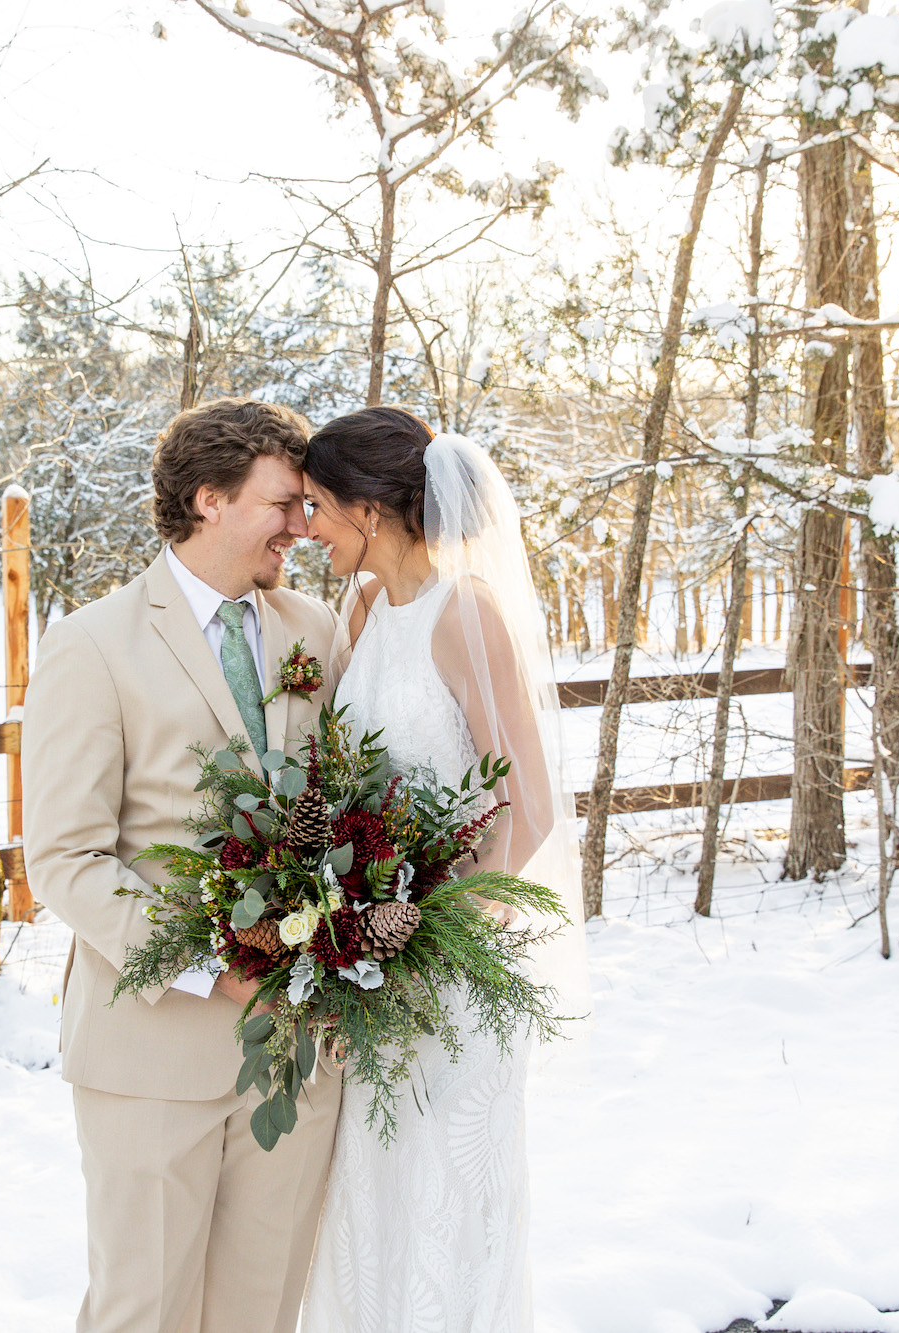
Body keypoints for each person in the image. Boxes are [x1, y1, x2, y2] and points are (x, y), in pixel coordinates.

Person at [22, 397, 347, 1333]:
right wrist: (218, 965)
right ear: (208, 499)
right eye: (284, 503)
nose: (302, 525)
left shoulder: (315, 634)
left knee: (261, 1311)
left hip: (295, 1057)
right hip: (150, 1053)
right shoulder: (92, 644)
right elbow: (67, 858)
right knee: (144, 1311)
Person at [296, 406, 587, 1333]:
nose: (307, 527)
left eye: (317, 507)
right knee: (370, 1199)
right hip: (372, 969)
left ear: (370, 512)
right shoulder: (364, 606)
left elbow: (529, 805)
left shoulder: (466, 612)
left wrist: (435, 930)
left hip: (447, 973)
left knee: (443, 1204)